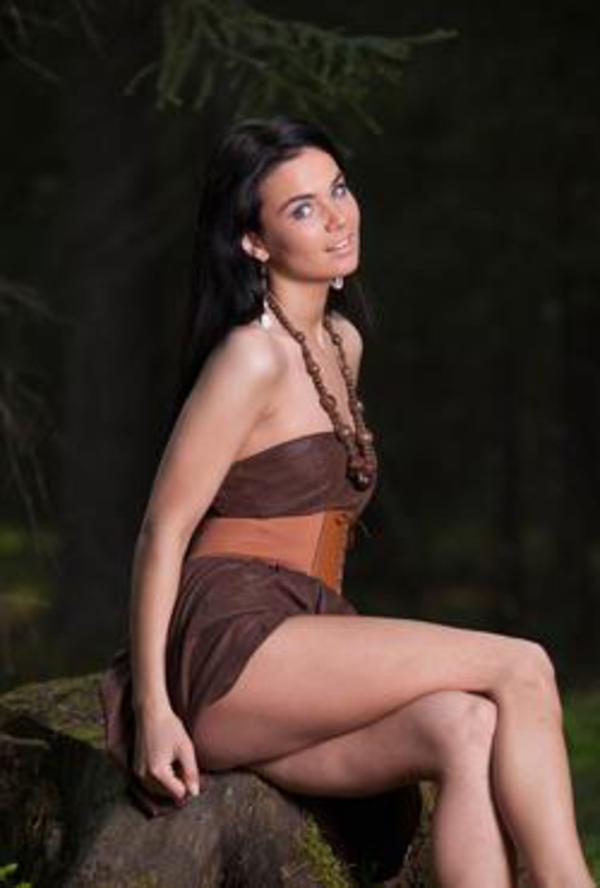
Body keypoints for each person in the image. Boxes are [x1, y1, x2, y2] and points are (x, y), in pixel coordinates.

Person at [99, 115, 596, 888]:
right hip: (232, 644)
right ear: (254, 242)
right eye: (302, 208)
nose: (337, 217)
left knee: (466, 725)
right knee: (521, 664)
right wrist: (156, 713)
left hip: (304, 630)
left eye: (338, 190)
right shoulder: (250, 356)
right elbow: (163, 531)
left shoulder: (341, 340)